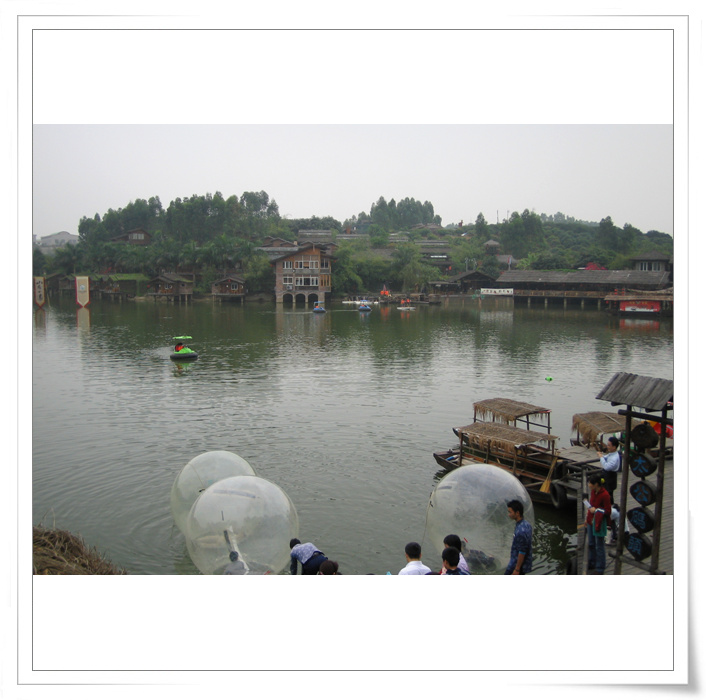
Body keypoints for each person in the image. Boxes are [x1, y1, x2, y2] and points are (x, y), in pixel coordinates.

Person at [585, 473, 612, 574]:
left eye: (590, 483)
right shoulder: (593, 492)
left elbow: (608, 511)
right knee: (591, 544)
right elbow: (591, 505)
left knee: (599, 545)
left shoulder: (605, 495)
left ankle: (600, 567)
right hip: (591, 520)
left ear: (596, 484)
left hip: (599, 522)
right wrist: (587, 518)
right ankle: (592, 562)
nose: (589, 485)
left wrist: (596, 510)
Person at [505, 499, 533, 575]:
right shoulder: (526, 524)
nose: (509, 514)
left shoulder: (521, 531)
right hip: (523, 563)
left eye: (510, 512)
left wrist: (517, 569)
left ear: (517, 513)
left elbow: (522, 551)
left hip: (517, 564)